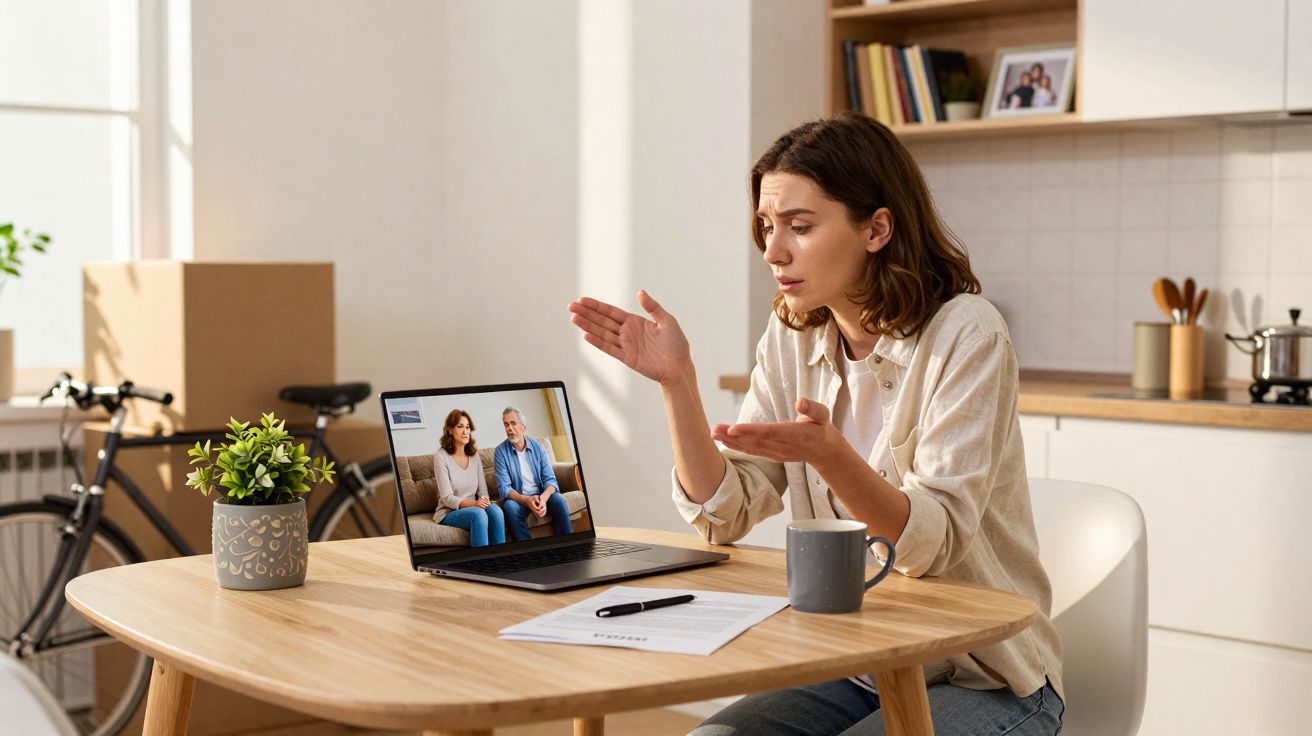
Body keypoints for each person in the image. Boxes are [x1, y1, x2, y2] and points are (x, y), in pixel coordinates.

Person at [568, 113, 1063, 735]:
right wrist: (678, 384)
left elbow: (930, 543)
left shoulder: (966, 332)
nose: (773, 251)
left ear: (876, 228)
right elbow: (728, 512)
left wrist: (832, 456)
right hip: (853, 664)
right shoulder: (793, 334)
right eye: (768, 227)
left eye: (800, 227)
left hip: (985, 678)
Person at [494, 406, 572, 541]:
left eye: (513, 423)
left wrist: (543, 498)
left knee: (559, 500)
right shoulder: (500, 452)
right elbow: (504, 488)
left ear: (523, 427)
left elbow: (550, 479)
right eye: (506, 424)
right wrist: (526, 500)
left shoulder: (538, 447)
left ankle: (569, 546)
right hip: (519, 500)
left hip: (540, 495)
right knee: (509, 507)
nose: (509, 428)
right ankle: (528, 553)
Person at [432, 409, 505, 547]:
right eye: (460, 427)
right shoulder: (440, 456)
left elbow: (483, 491)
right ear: (450, 430)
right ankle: (481, 565)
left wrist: (483, 500)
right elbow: (447, 498)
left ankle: (501, 560)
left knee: (496, 511)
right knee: (478, 515)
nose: (465, 432)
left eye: (467, 427)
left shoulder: (474, 455)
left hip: (475, 506)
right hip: (449, 511)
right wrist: (474, 504)